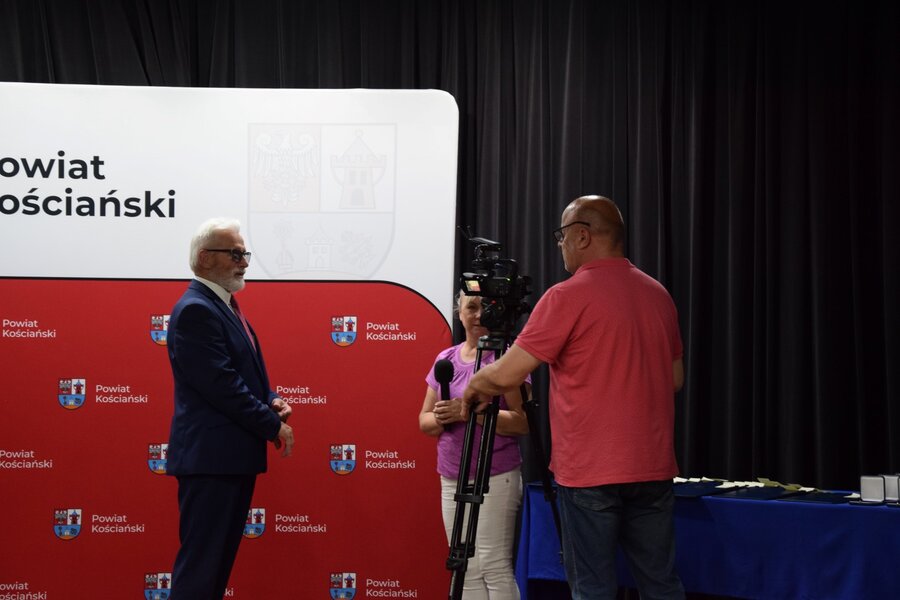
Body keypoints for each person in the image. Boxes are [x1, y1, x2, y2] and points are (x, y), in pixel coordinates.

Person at [461, 196, 685, 600]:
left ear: (582, 236)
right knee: (661, 585)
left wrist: (475, 385)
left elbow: (508, 374)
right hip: (652, 468)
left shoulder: (566, 296)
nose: (560, 245)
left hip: (590, 472)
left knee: (592, 589)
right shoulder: (659, 294)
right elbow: (674, 379)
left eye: (561, 236)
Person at [165, 217, 294, 600]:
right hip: (212, 461)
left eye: (245, 254)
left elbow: (239, 372)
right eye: (235, 254)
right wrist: (271, 424)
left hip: (228, 459)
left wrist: (269, 398)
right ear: (205, 257)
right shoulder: (196, 309)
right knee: (202, 569)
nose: (244, 263)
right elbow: (221, 386)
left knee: (214, 569)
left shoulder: (222, 305)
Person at [419, 292, 530, 600]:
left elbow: (523, 422)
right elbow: (424, 421)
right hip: (451, 477)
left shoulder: (508, 358)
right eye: (471, 307)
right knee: (464, 568)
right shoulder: (445, 359)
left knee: (493, 566)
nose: (478, 314)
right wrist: (444, 416)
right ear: (459, 313)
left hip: (496, 475)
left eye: (485, 307)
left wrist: (468, 412)